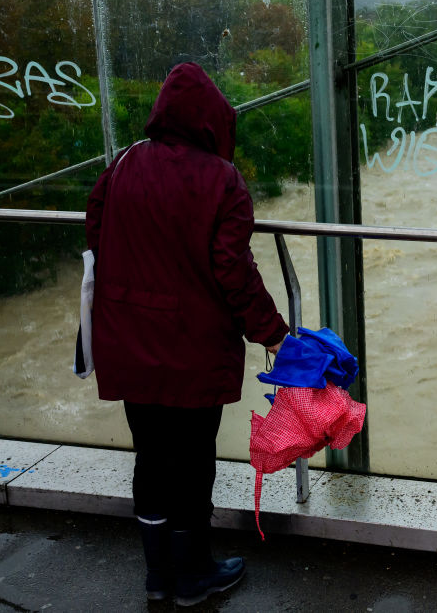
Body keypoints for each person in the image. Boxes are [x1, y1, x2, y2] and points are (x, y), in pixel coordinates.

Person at [85, 62, 288, 606]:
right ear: (212, 121)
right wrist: (274, 336)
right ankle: (194, 574)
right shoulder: (222, 181)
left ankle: (158, 576)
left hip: (128, 343)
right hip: (193, 349)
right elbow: (233, 270)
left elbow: (95, 232)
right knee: (193, 462)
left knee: (150, 457)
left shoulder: (122, 164)